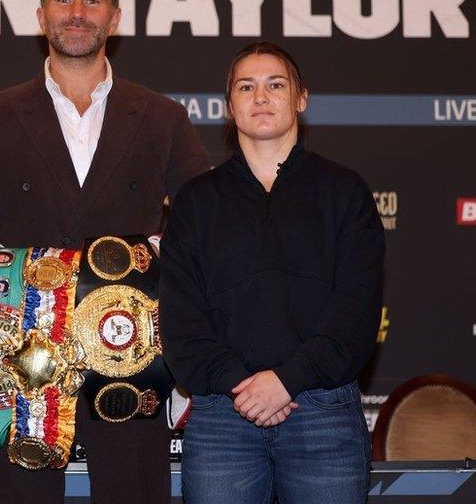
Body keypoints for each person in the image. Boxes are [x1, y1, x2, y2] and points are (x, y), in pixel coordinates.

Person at [0, 0, 209, 504]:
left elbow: (203, 233)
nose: (77, 12)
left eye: (94, 0)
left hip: (131, 360)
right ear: (41, 16)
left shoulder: (163, 118)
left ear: (115, 18)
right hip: (23, 369)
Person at [159, 41, 385, 504]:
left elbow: (357, 314)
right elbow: (181, 321)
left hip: (324, 411)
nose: (261, 97)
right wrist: (241, 387)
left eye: (275, 85)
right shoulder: (196, 202)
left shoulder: (345, 191)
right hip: (224, 415)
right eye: (247, 86)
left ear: (301, 98)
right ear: (230, 107)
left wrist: (285, 381)